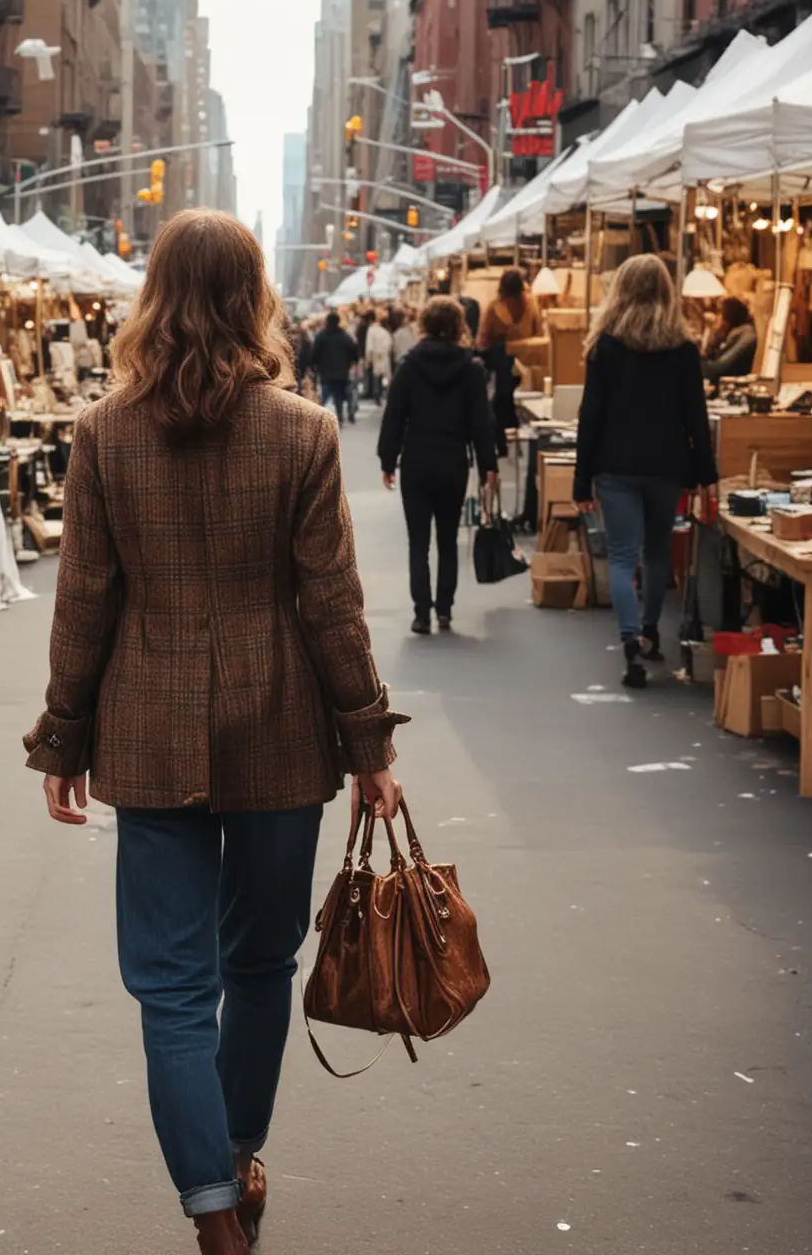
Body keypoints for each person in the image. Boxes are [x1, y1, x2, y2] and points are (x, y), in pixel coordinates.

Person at [26, 210, 406, 1255]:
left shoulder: (106, 433)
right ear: (257, 298)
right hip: (281, 730)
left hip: (146, 732)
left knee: (172, 985)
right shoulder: (302, 432)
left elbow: (85, 603)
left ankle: (209, 1203)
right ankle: (238, 1156)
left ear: (155, 296)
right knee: (258, 964)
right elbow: (332, 602)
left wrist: (62, 741)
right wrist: (369, 746)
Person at [573, 254, 719, 690]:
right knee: (657, 553)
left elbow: (590, 417)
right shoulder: (683, 348)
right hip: (666, 465)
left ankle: (630, 640)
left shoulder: (605, 347)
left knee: (622, 556)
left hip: (616, 465)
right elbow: (696, 416)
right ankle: (651, 627)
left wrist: (582, 479)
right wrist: (704, 475)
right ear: (666, 292)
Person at [378, 296, 497, 634]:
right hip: (453, 461)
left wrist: (388, 460)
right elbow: (480, 422)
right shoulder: (471, 369)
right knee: (447, 538)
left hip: (416, 460)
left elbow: (395, 416)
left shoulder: (409, 365)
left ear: (424, 325)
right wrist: (488, 464)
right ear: (459, 326)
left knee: (418, 541)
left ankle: (421, 613)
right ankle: (444, 609)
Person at [477, 267, 541, 454]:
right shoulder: (531, 305)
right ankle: (515, 439)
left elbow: (483, 339)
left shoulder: (494, 308)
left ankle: (503, 442)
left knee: (502, 402)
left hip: (504, 363)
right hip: (528, 361)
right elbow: (539, 332)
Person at [309, 310, 359, 423]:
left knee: (324, 394)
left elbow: (314, 352)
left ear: (327, 322)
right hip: (342, 372)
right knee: (339, 395)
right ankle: (340, 415)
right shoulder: (344, 336)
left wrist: (312, 364)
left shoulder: (321, 336)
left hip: (325, 371)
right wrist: (352, 362)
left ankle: (317, 416)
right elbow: (353, 351)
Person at [701, 296, 758, 380]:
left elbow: (720, 367)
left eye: (720, 313)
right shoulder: (730, 334)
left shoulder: (747, 335)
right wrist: (714, 334)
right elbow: (709, 355)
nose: (717, 317)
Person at [365, 306, 395, 401]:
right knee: (385, 375)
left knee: (376, 376)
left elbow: (369, 347)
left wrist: (368, 358)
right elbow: (390, 344)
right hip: (384, 356)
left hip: (375, 356)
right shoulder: (384, 332)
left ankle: (377, 394)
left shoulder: (371, 331)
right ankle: (386, 393)